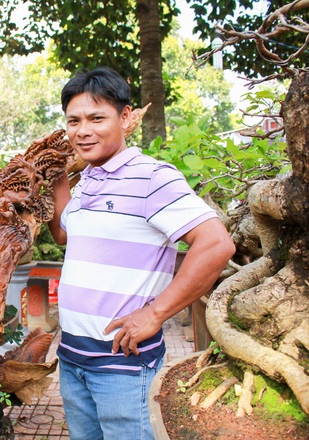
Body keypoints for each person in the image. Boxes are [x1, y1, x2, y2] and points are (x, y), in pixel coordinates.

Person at [45, 67, 236, 440]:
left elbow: (216, 244)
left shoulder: (153, 177)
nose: (83, 130)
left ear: (127, 118)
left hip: (124, 366)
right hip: (71, 359)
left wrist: (156, 312)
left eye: (97, 118)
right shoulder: (88, 181)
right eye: (74, 121)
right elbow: (66, 234)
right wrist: (56, 177)